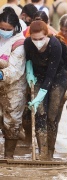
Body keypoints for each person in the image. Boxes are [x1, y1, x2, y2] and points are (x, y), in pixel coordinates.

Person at [24, 20, 67, 160]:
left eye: (41, 39)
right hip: (37, 77)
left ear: (47, 35)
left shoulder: (55, 45)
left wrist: (40, 96)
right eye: (34, 39)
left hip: (57, 77)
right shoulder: (27, 43)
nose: (38, 42)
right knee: (39, 113)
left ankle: (50, 151)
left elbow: (51, 73)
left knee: (51, 115)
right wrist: (29, 73)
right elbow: (28, 60)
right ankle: (42, 152)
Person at [0, 7, 26, 159]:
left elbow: (15, 71)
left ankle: (9, 156)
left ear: (14, 28)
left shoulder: (19, 43)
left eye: (7, 29)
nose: (4, 31)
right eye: (1, 28)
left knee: (12, 121)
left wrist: (1, 74)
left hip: (14, 86)